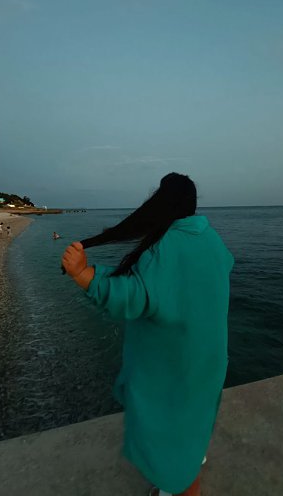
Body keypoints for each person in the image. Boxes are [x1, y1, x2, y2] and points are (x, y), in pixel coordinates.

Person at [62, 173, 234, 496]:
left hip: (174, 371)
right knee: (193, 425)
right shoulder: (211, 239)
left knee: (170, 437)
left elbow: (134, 296)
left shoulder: (165, 247)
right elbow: (219, 269)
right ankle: (188, 468)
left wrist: (84, 275)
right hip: (208, 362)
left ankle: (183, 486)